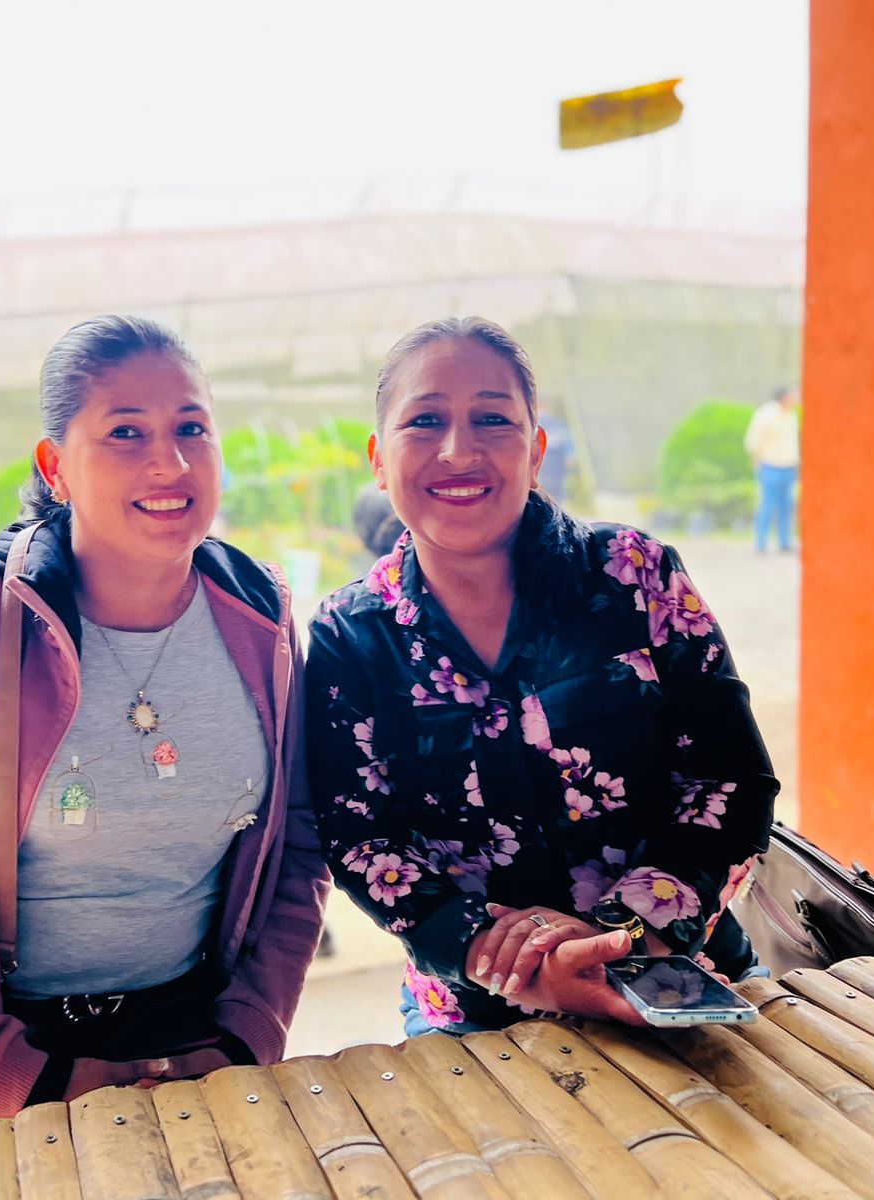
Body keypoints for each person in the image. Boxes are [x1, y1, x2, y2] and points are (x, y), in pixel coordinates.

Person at [0, 315, 328, 1135]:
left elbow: (297, 849)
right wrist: (21, 1076)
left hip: (192, 1047)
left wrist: (245, 1034)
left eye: (192, 428)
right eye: (126, 432)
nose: (171, 463)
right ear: (55, 466)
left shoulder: (258, 617)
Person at [307, 317, 777, 1036]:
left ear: (535, 451)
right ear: (378, 459)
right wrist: (495, 953)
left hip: (676, 977)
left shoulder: (635, 575)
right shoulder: (350, 634)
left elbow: (731, 780)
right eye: (425, 420)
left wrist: (623, 936)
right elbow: (359, 838)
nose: (458, 450)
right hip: (474, 1010)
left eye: (492, 419)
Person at [744, 386, 801, 553]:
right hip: (770, 466)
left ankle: (785, 542)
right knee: (767, 504)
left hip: (789, 466)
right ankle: (761, 542)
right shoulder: (765, 414)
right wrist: (757, 461)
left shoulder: (791, 415)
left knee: (787, 506)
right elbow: (752, 441)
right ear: (783, 398)